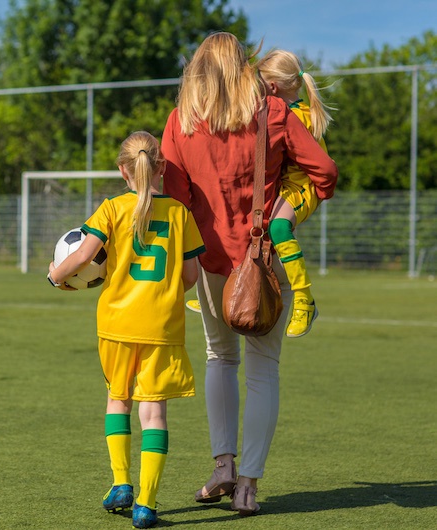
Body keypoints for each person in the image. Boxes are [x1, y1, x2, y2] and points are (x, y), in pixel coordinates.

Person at [161, 32, 338, 516]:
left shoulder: (180, 122)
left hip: (210, 263)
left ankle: (223, 467)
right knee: (264, 371)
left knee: (220, 357)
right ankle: (249, 486)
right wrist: (288, 210)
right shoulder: (273, 113)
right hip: (266, 263)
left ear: (196, 70)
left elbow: (175, 203)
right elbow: (324, 172)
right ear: (243, 67)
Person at [47, 131, 206, 529]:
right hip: (163, 325)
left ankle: (121, 482)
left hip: (116, 325)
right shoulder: (180, 213)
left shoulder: (111, 208)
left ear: (123, 170)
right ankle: (147, 506)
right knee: (154, 414)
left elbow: (83, 254)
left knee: (118, 400)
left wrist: (55, 276)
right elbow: (189, 275)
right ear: (162, 168)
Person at [258, 49, 334, 338]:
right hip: (283, 185)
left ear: (272, 87)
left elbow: (320, 167)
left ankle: (305, 299)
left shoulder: (296, 117)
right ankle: (232, 288)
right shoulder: (278, 112)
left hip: (302, 186)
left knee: (278, 227)